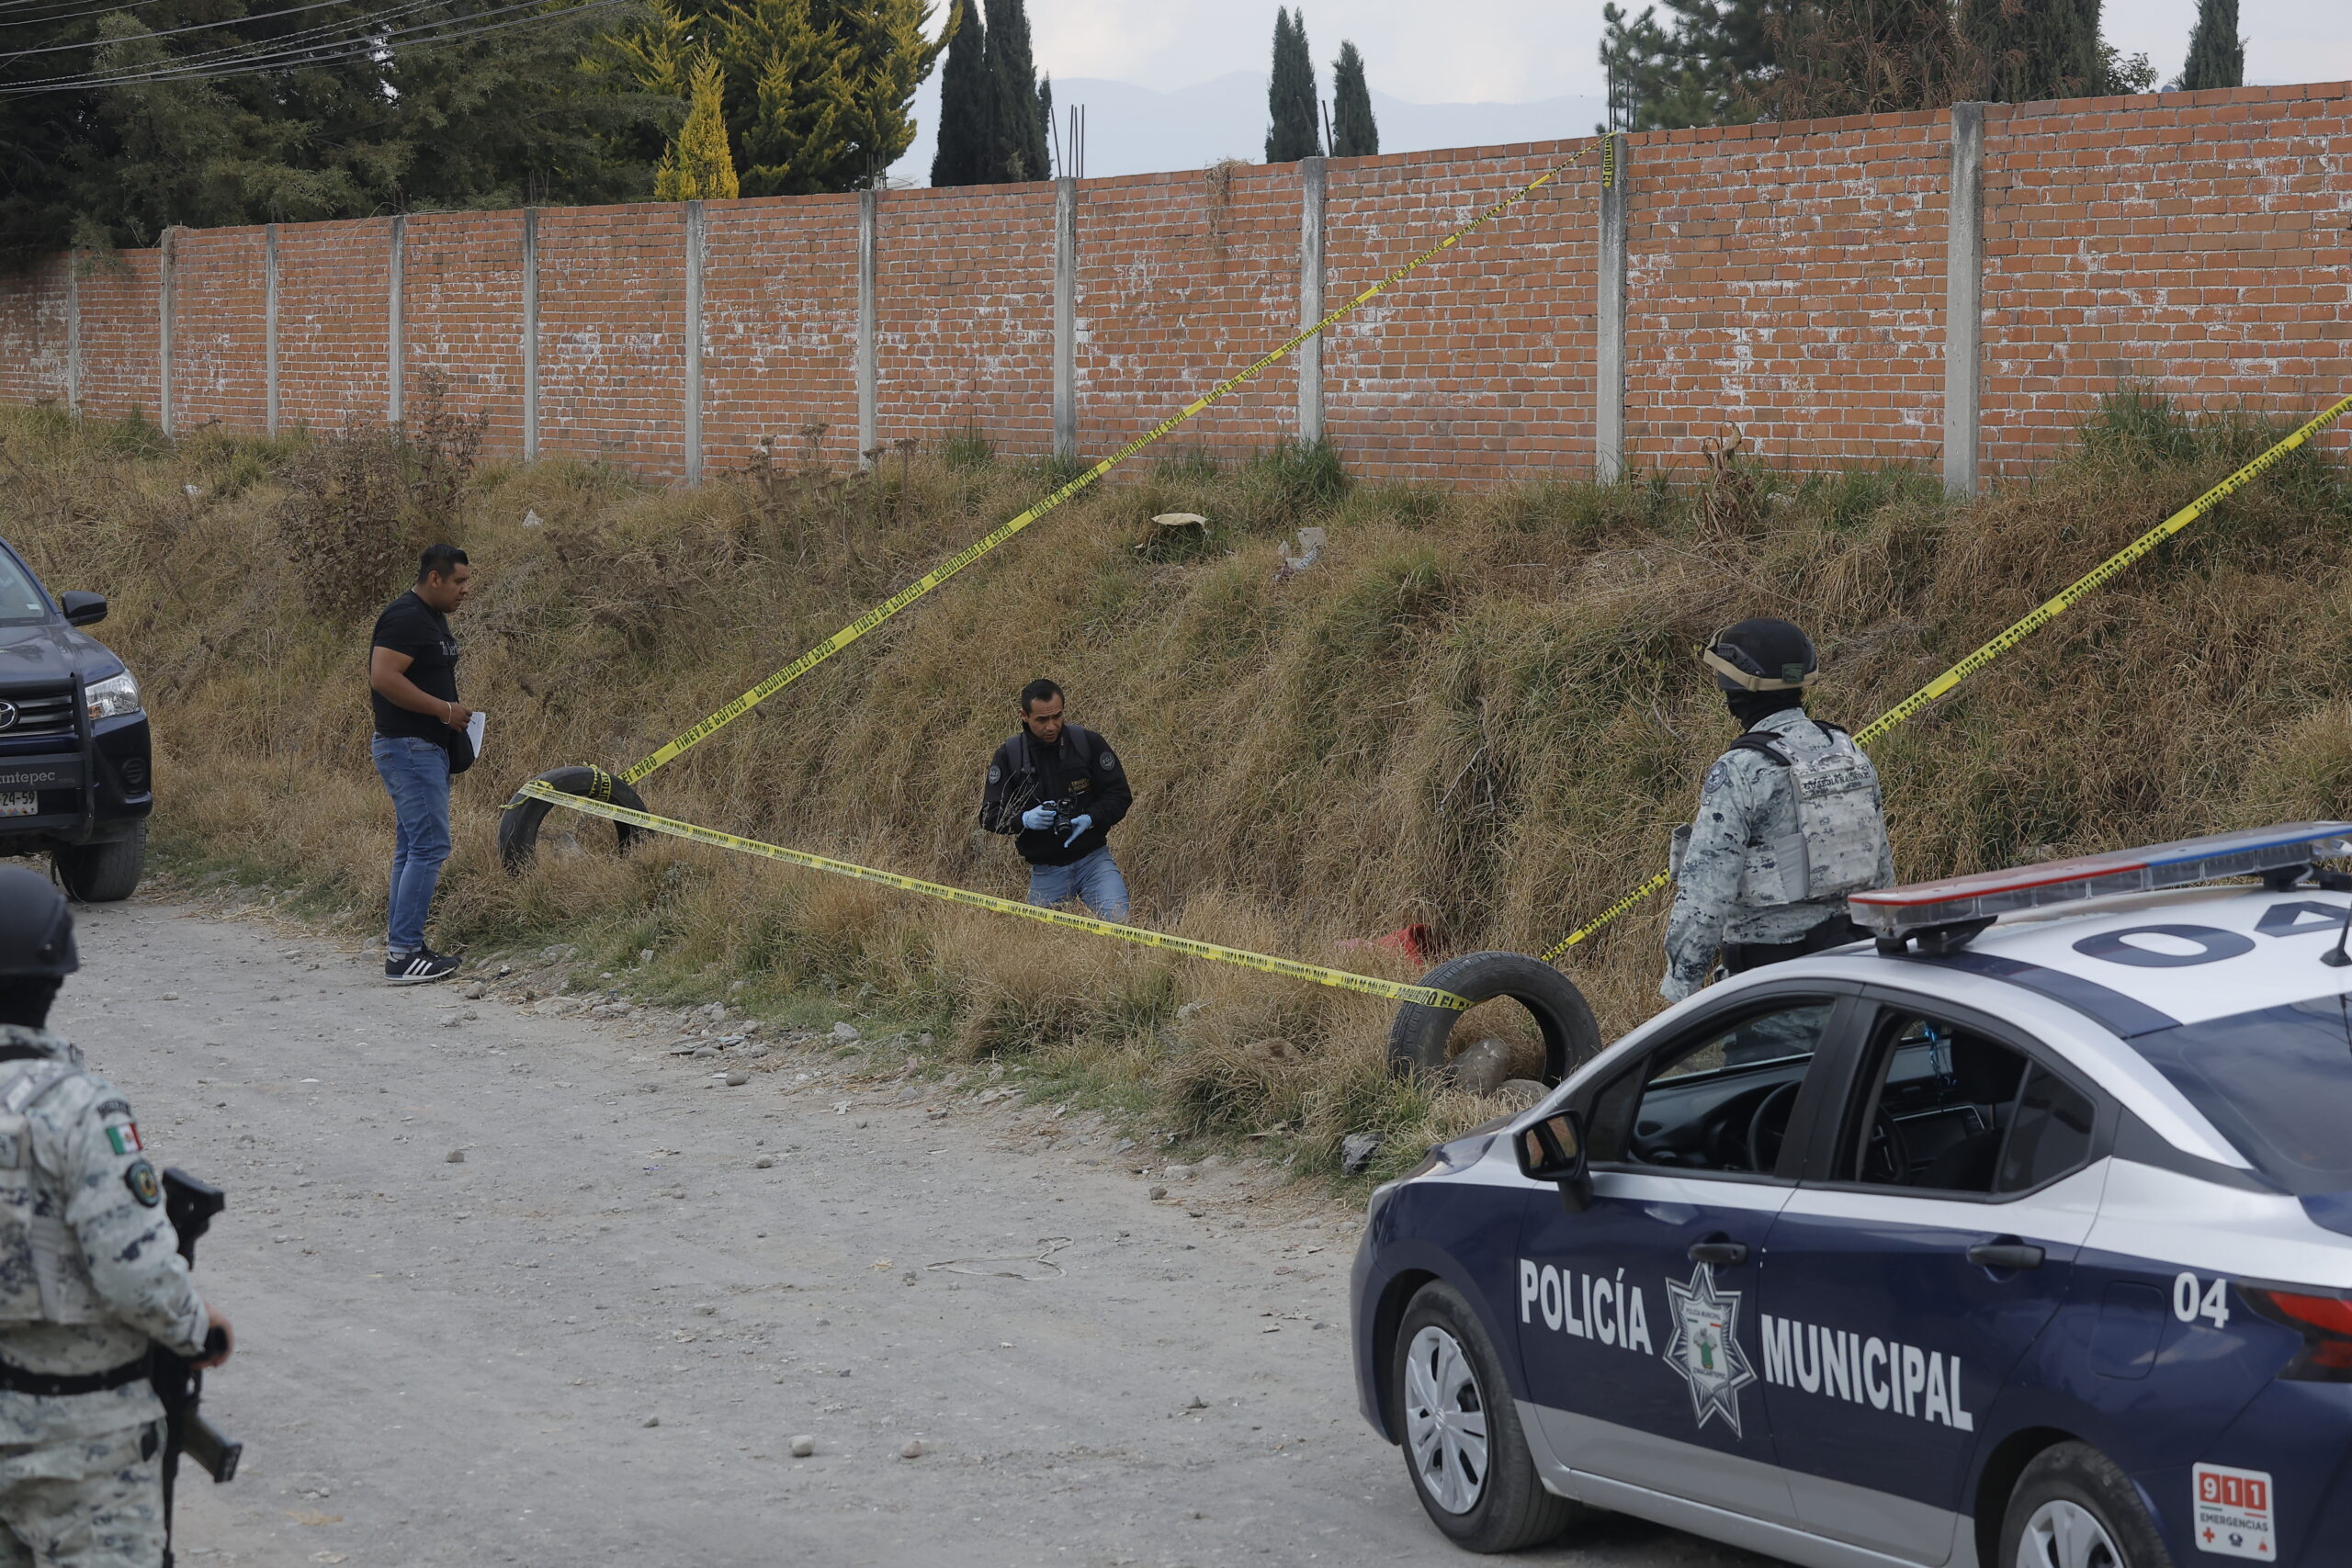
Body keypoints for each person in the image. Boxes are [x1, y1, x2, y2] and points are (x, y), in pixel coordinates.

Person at [0, 866, 232, 1565]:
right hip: (83, 1445)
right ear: (58, 976)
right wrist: (197, 1328)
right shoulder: (80, 1108)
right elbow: (135, 1277)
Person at [1661, 617, 1893, 1005]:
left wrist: (1679, 991)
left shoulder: (1741, 770)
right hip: (1855, 972)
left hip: (1772, 986)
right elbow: (1881, 869)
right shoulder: (1849, 753)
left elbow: (1707, 894)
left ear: (1736, 688)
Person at [368, 544, 475, 985]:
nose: (465, 590)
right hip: (409, 748)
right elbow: (383, 677)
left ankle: (405, 945)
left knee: (413, 847)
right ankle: (404, 953)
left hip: (423, 748)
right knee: (430, 847)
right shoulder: (405, 617)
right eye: (459, 581)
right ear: (435, 578)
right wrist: (443, 710)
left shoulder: (431, 617)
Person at [978, 679, 1134, 921]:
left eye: (1057, 716)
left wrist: (1091, 817)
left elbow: (1119, 794)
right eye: (1042, 719)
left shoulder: (1087, 743)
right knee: (1041, 938)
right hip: (1046, 871)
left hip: (1094, 862)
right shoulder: (1010, 755)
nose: (1051, 726)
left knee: (1120, 925)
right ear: (1024, 715)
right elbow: (989, 815)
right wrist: (1023, 820)